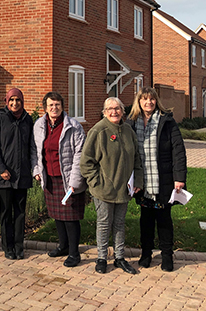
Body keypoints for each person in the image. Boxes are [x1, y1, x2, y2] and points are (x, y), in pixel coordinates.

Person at [80, 97, 143, 275]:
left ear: (123, 111)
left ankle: (119, 257)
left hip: (124, 189)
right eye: (109, 109)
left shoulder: (128, 131)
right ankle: (101, 258)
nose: (113, 112)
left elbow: (137, 158)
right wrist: (96, 183)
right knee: (104, 224)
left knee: (119, 224)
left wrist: (138, 181)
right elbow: (86, 162)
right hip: (104, 190)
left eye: (117, 108)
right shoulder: (98, 131)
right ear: (104, 112)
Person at [127, 87, 187, 272]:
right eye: (144, 99)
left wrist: (179, 178)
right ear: (139, 101)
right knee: (145, 219)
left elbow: (178, 150)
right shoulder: (131, 122)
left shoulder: (166, 121)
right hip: (142, 181)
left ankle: (167, 255)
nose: (148, 103)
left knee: (163, 219)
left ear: (156, 101)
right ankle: (146, 254)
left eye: (152, 99)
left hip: (163, 180)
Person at [32, 92, 86, 267]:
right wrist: (37, 170)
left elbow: (80, 154)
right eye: (50, 105)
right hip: (50, 177)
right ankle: (63, 246)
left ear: (62, 106)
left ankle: (74, 253)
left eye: (57, 104)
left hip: (68, 179)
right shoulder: (39, 125)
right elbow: (35, 150)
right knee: (57, 215)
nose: (54, 108)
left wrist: (74, 181)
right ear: (45, 108)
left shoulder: (73, 126)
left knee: (70, 217)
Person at [0, 88, 36, 260]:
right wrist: (1, 169)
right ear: (6, 101)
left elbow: (31, 145)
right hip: (4, 175)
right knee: (6, 212)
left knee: (20, 212)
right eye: (12, 100)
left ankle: (19, 246)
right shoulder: (0, 118)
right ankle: (7, 246)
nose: (15, 103)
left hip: (22, 174)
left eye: (18, 100)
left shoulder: (27, 119)